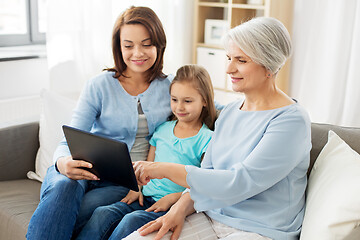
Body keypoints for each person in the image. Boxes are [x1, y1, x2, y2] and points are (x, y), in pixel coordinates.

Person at [129, 17, 312, 240]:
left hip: (260, 229)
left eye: (241, 60)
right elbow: (208, 173)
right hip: (211, 215)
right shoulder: (230, 112)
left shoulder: (291, 121)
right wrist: (180, 208)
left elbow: (239, 182)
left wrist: (163, 168)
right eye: (228, 58)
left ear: (269, 65)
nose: (228, 68)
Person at [27, 6, 173, 240]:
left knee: (80, 214)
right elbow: (70, 138)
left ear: (159, 44)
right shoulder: (99, 85)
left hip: (119, 182)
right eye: (128, 45)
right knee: (65, 185)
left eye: (147, 44)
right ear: (119, 47)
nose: (138, 53)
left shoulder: (172, 87)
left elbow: (209, 105)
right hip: (79, 169)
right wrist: (62, 163)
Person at [75, 64, 216, 240]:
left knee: (131, 220)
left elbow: (205, 182)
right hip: (144, 197)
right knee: (103, 213)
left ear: (204, 100)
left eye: (187, 101)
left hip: (171, 205)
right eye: (174, 99)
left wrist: (174, 198)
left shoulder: (207, 139)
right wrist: (138, 187)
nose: (179, 107)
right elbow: (147, 167)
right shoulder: (162, 129)